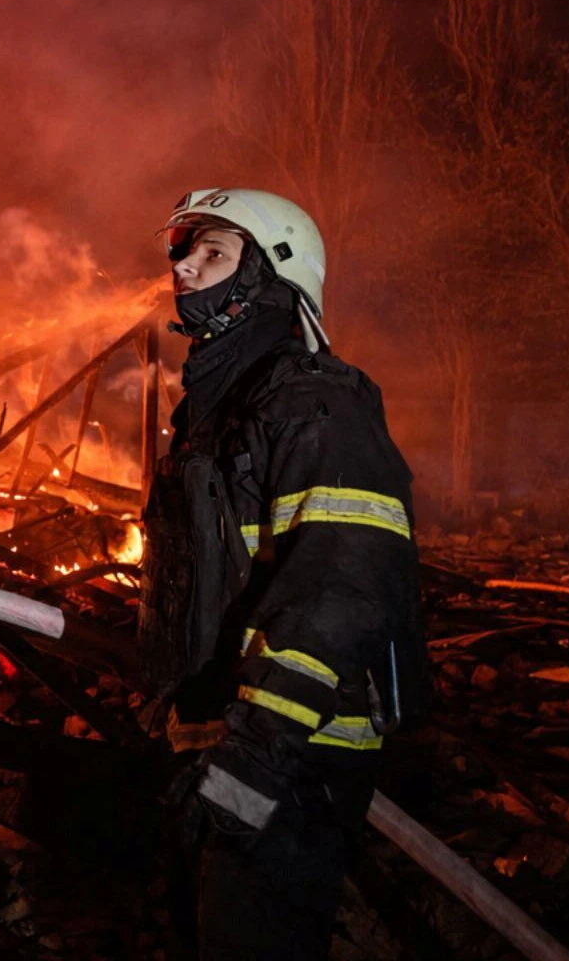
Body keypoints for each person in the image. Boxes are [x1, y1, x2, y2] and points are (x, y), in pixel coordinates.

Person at [137, 188, 430, 960]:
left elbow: (341, 589)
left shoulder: (313, 402)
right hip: (222, 742)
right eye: (184, 252)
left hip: (295, 756)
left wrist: (250, 764)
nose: (185, 271)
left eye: (215, 253)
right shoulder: (224, 411)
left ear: (274, 274)